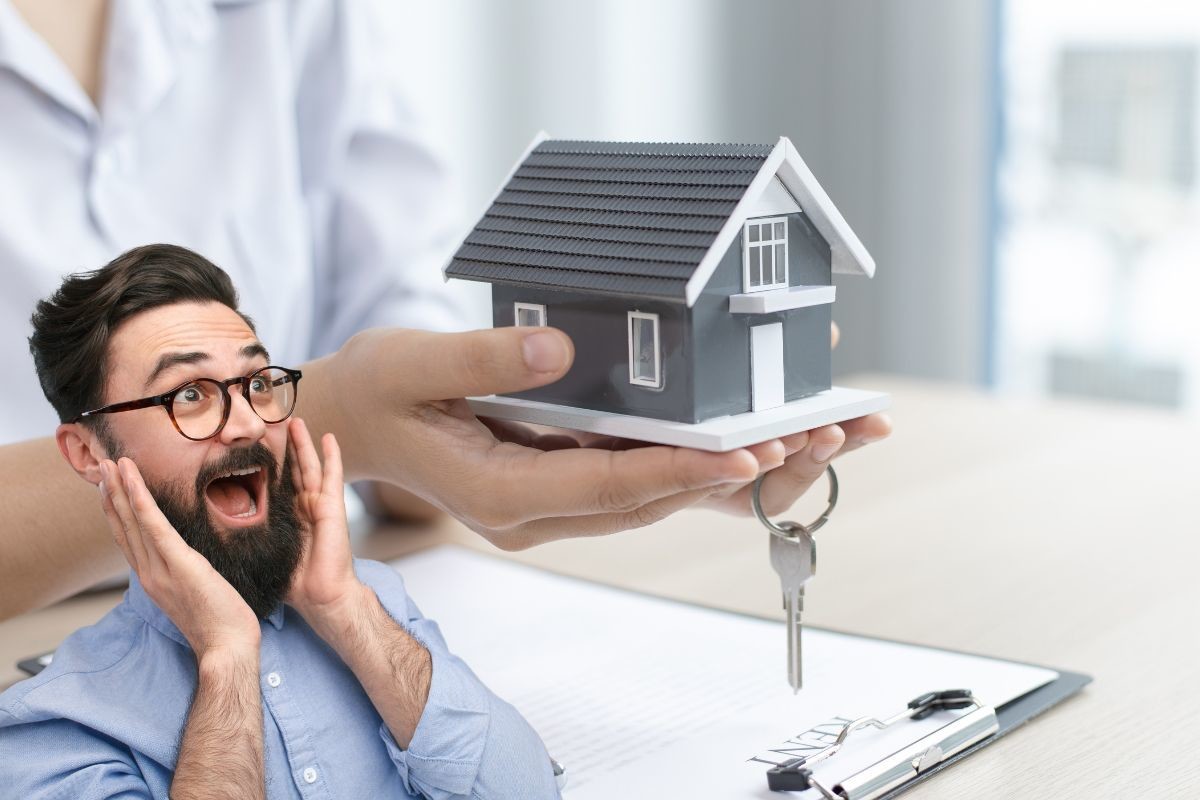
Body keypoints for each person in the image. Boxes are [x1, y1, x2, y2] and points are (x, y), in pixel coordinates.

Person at [0, 0, 891, 620]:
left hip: (308, 593)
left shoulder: (297, 15)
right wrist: (332, 426)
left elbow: (397, 332)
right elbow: (359, 410)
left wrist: (464, 436)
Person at [0, 245, 561, 798]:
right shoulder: (57, 727)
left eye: (258, 384)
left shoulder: (372, 602)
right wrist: (225, 653)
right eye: (189, 394)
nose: (246, 422)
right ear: (86, 453)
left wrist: (343, 607)